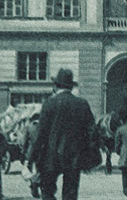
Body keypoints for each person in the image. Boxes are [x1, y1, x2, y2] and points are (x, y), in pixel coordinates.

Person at [32, 68, 96, 200]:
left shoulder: (49, 103)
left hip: (50, 155)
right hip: (74, 156)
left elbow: (40, 133)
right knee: (70, 193)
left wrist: (32, 156)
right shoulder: (82, 104)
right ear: (71, 87)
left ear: (55, 86)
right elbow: (92, 132)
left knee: (47, 191)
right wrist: (89, 156)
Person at [22, 113, 42, 199]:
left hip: (30, 152)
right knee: (40, 169)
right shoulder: (43, 126)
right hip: (42, 151)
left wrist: (24, 151)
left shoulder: (28, 127)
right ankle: (36, 184)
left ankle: (33, 183)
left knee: (30, 169)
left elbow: (24, 141)